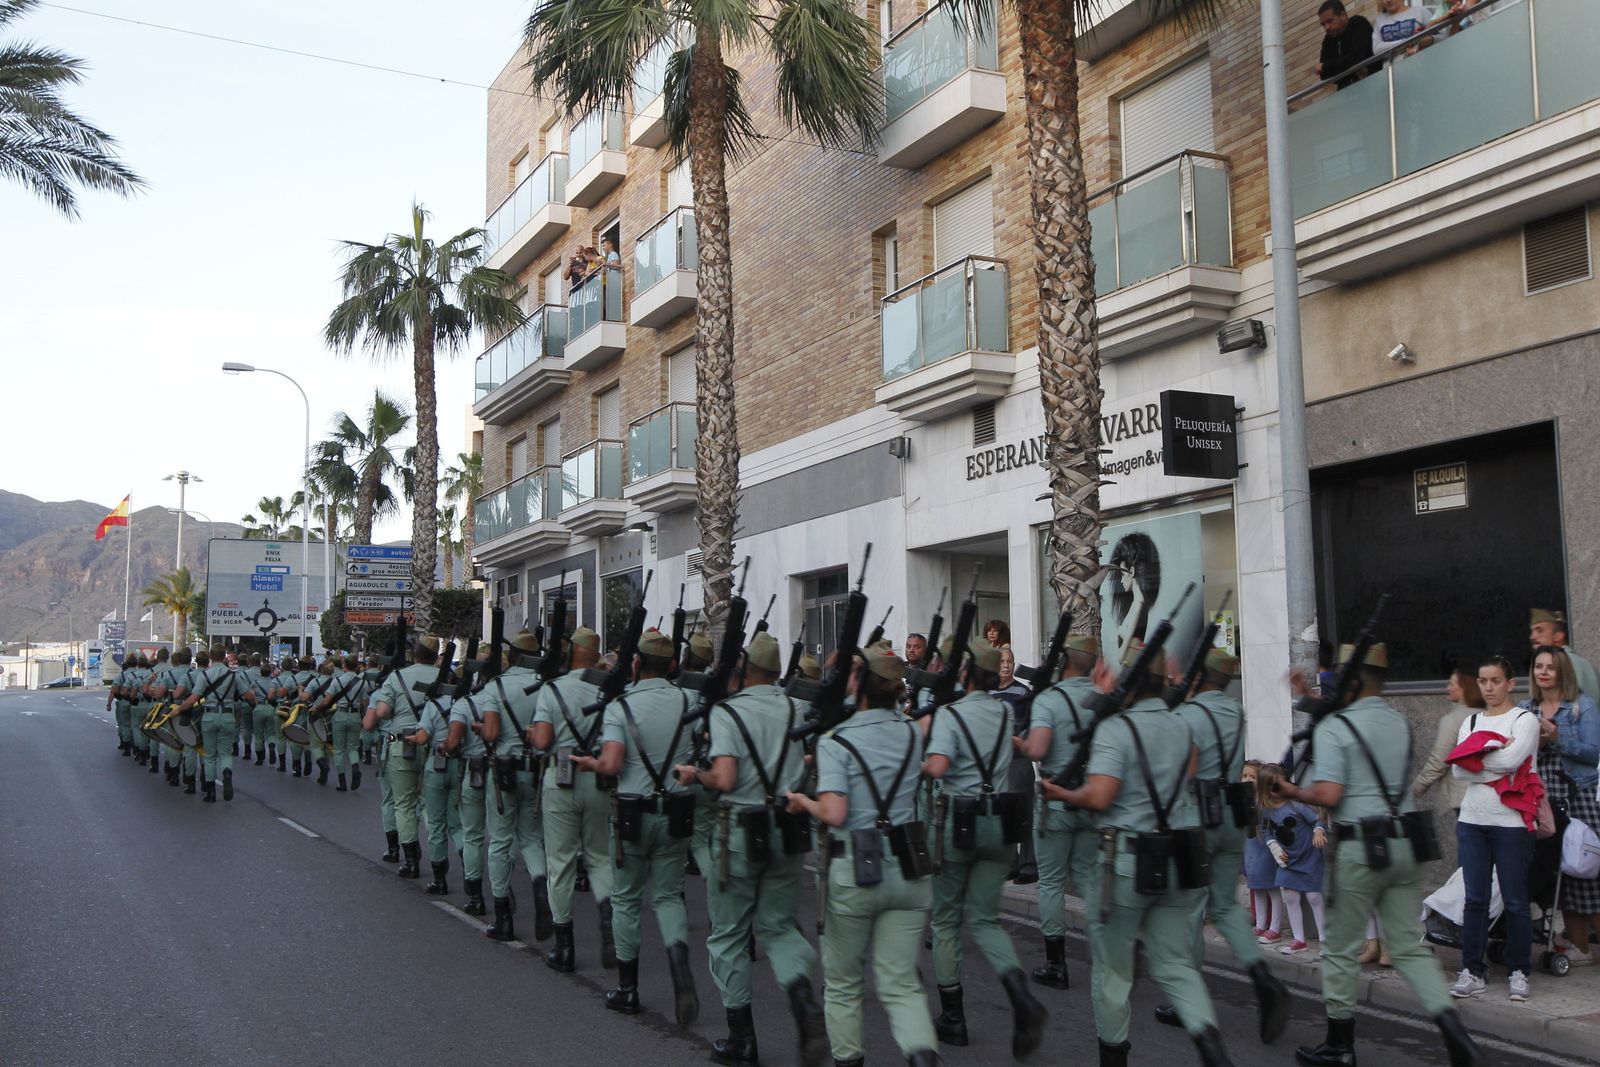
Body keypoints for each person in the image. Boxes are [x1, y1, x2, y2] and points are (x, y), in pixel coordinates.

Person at [1280, 643, 1481, 1067]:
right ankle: (1456, 1036)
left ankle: (1339, 1045)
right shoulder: (1398, 721)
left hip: (1361, 847)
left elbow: (1330, 793)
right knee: (1406, 946)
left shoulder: (1336, 726)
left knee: (1339, 947)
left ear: (1350, 681)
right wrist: (1316, 701)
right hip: (1405, 840)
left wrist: (1294, 790)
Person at [675, 631, 827, 1066]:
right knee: (779, 926)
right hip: (787, 828)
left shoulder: (728, 713)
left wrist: (694, 776)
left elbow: (723, 778)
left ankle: (742, 1038)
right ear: (777, 671)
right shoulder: (797, 707)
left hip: (739, 831)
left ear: (743, 670)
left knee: (728, 936)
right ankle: (802, 998)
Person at [786, 642, 942, 1067]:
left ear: (860, 685)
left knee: (843, 984)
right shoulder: (912, 731)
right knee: (902, 985)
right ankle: (924, 1058)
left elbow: (835, 811)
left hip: (853, 868)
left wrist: (804, 802)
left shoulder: (839, 740)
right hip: (909, 867)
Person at [921, 640, 1048, 1058]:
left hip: (958, 821)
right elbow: (1022, 748)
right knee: (986, 920)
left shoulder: (950, 714)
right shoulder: (1004, 711)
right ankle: (1021, 997)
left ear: (964, 674)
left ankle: (953, 1018)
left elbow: (937, 768)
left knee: (945, 922)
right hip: (999, 823)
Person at [1163, 651, 1290, 1039]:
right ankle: (1263, 977)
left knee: (1189, 908)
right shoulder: (1235, 711)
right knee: (1224, 905)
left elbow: (1180, 767)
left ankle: (1187, 994)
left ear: (1199, 677)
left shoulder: (1187, 715)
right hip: (1231, 815)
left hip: (1194, 816)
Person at [576, 629, 697, 1020]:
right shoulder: (687, 699)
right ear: (674, 665)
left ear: (636, 664)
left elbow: (611, 764)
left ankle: (628, 988)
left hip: (632, 813)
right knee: (668, 895)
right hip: (677, 811)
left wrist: (590, 763)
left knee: (626, 899)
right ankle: (680, 963)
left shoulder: (621, 706)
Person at [1446, 654, 1540, 1001]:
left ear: (1510, 683)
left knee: (1515, 900)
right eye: (1483, 681)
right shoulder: (1470, 722)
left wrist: (1476, 762)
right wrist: (1488, 764)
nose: (1488, 687)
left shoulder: (1524, 720)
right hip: (1472, 821)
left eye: (1495, 680)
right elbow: (1456, 770)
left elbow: (1514, 762)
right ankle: (1472, 970)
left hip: (1511, 823)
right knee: (1475, 900)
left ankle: (1519, 971)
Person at [532, 626, 616, 967]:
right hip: (596, 778)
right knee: (599, 858)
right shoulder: (608, 691)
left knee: (561, 863)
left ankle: (564, 946)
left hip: (560, 778)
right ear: (596, 656)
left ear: (571, 654)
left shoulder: (553, 690)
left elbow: (541, 741)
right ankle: (610, 925)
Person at [1020, 635, 1100, 990]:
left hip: (1055, 796)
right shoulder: (1100, 699)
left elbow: (1037, 750)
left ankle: (1056, 964)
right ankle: (1107, 951)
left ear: (1064, 662)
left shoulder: (1049, 700)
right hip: (1090, 795)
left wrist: (1017, 740)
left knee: (1051, 881)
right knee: (1087, 877)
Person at [1524, 646, 1600, 967]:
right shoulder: (1525, 708)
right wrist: (1533, 742)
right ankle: (1581, 949)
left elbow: (1593, 753)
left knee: (1588, 873)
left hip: (1578, 797)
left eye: (1550, 667)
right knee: (1561, 877)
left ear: (1562, 672)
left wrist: (1557, 738)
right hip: (1543, 800)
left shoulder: (1583, 705)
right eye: (1538, 666)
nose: (1543, 672)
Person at [480, 630, 557, 942]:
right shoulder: (546, 687)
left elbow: (491, 733)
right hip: (535, 770)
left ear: (511, 657)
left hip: (503, 770)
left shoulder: (495, 686)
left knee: (499, 840)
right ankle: (541, 887)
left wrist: (483, 729)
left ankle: (503, 916)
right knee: (531, 838)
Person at [367, 634, 446, 878]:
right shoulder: (446, 678)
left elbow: (382, 711)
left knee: (403, 804)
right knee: (431, 807)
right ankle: (439, 865)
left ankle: (411, 861)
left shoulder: (397, 677)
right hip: (436, 747)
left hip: (401, 744)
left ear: (415, 654)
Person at [442, 647, 491, 917]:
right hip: (503, 769)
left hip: (473, 768)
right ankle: (506, 896)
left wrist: (445, 747)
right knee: (503, 838)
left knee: (472, 835)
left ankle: (475, 897)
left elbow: (451, 743)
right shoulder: (512, 696)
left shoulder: (465, 704)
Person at [1261, 772, 1328, 957]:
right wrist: (1273, 845)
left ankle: (1325, 939)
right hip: (1288, 861)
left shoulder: (1296, 805)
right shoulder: (1266, 810)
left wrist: (1319, 831)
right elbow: (1266, 831)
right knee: (1290, 897)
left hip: (1308, 857)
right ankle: (1299, 939)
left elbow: (1317, 819)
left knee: (1314, 897)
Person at [992, 646, 1037, 885]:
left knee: (1024, 813)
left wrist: (1021, 740)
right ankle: (1012, 862)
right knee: (1005, 813)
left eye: (1010, 661)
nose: (1006, 665)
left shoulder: (1023, 692)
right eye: (1002, 661)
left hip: (1018, 759)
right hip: (997, 762)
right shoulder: (987, 691)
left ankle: (1029, 865)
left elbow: (1032, 724)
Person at [1414, 668, 1484, 810]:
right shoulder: (1487, 715)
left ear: (1464, 687)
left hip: (1461, 797)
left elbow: (1438, 762)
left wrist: (1414, 790)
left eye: (1452, 684)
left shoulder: (1452, 720)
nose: (1448, 688)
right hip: (1487, 796)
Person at [1241, 761, 1285, 942]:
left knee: (1272, 889)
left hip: (1265, 849)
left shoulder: (1264, 802)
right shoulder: (1243, 799)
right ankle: (1260, 924)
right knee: (1257, 888)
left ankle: (1274, 927)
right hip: (1250, 849)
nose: (1248, 779)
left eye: (1252, 776)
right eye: (1245, 776)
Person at [1530, 608, 1600, 704]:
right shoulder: (1582, 663)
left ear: (1558, 636)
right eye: (1539, 667)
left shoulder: (1567, 663)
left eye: (1540, 631)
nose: (1532, 637)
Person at [1315, 1, 1374, 87]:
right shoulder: (1328, 40)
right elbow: (1324, 75)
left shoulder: (1358, 24)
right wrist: (1344, 63)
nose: (1326, 27)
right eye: (1323, 24)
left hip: (1371, 83)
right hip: (1346, 91)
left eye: (1330, 21)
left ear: (1343, 15)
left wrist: (1326, 66)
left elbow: (1356, 58)